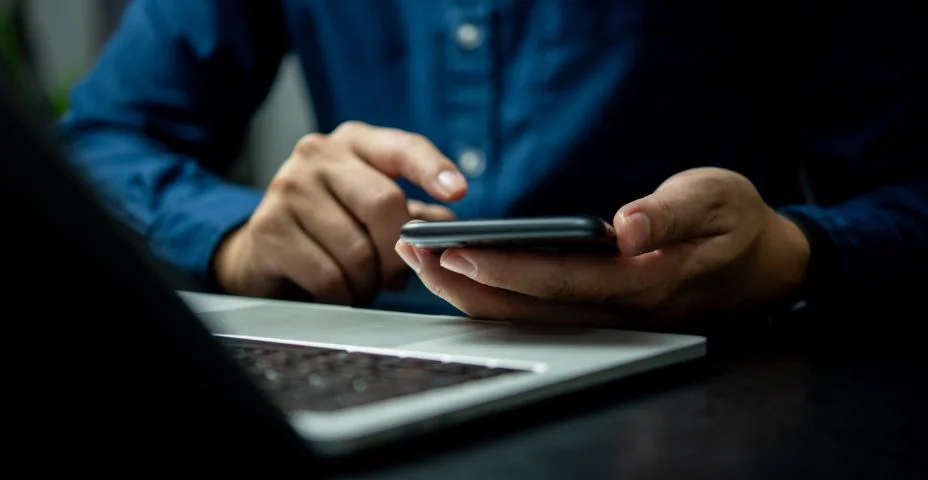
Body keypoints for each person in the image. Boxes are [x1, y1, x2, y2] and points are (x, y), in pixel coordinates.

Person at [58, 0, 925, 326]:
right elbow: (100, 139)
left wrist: (794, 255)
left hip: (709, 381)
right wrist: (240, 235)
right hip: (384, 351)